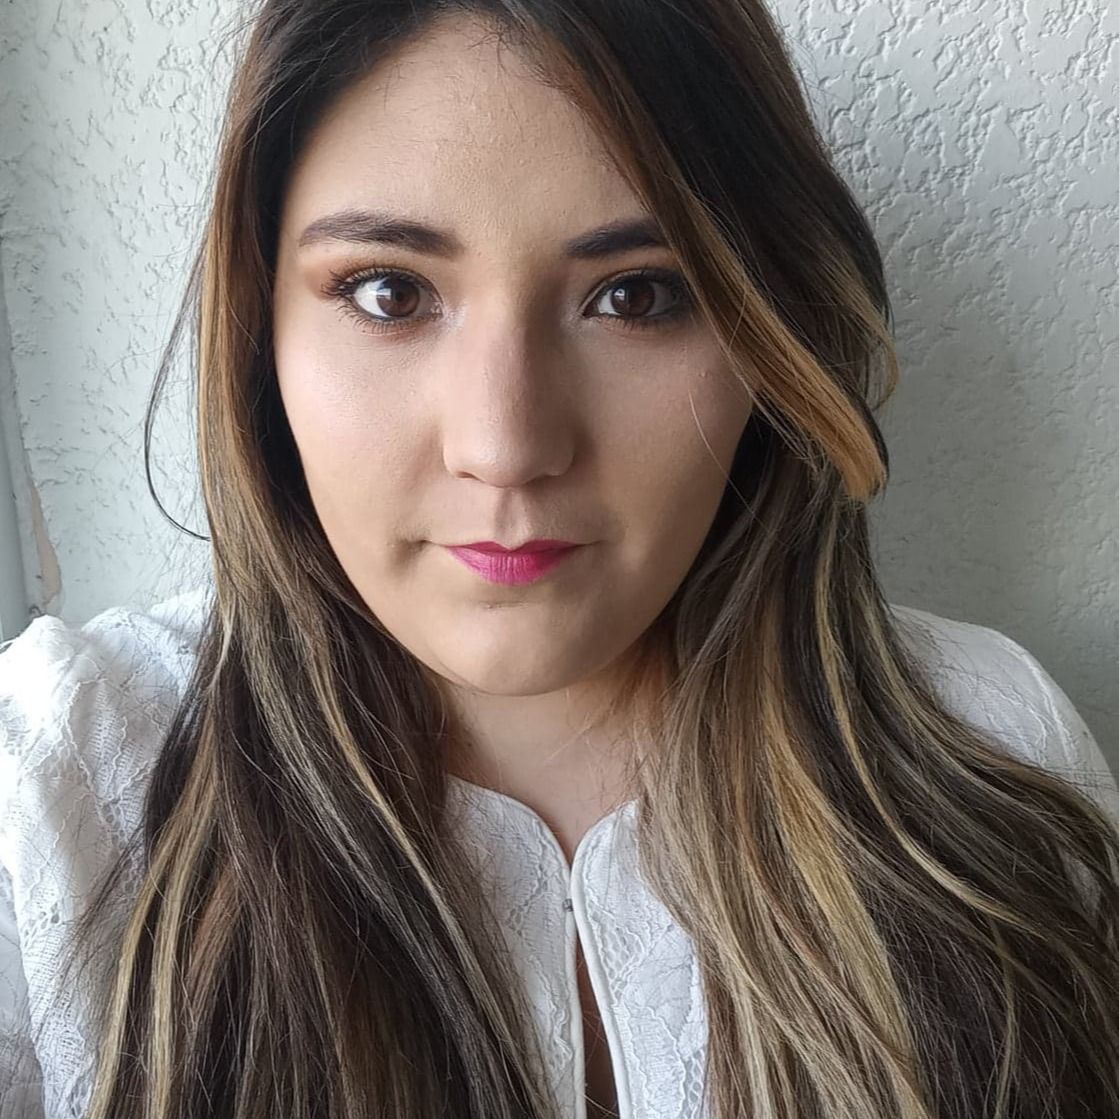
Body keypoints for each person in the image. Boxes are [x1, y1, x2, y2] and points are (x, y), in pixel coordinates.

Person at [2, 1, 1118, 1116]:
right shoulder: (60, 789)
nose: (505, 446)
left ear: (771, 340)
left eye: (635, 295)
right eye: (390, 291)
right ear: (262, 338)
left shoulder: (991, 749)